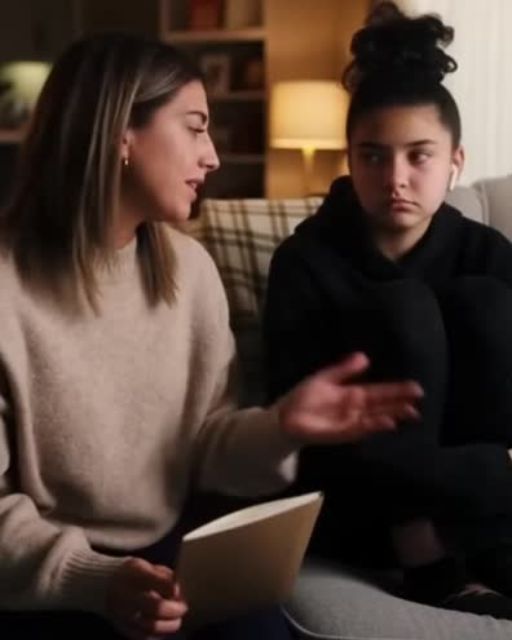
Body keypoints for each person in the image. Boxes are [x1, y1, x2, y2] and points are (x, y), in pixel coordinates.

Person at [0, 32, 423, 640]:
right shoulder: (9, 287)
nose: (213, 158)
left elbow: (205, 444)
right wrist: (96, 580)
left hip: (167, 555)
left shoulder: (189, 270)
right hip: (45, 582)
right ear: (121, 134)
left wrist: (281, 426)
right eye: (195, 128)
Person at [264, 1, 512, 621]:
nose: (395, 177)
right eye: (373, 156)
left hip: (480, 514)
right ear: (349, 158)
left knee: (483, 302)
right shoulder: (305, 260)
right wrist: (493, 471)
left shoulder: (486, 252)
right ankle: (426, 558)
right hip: (357, 502)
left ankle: (484, 549)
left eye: (418, 155)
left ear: (455, 161)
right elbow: (294, 429)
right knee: (404, 307)